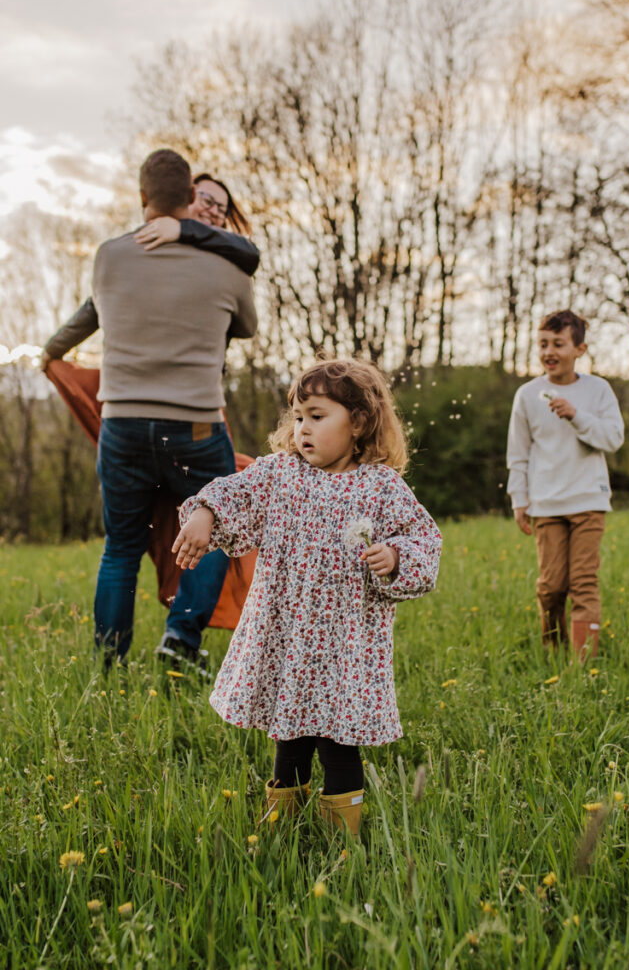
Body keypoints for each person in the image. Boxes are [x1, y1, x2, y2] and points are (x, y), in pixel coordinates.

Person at [173, 358, 442, 838]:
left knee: (339, 744)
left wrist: (396, 556)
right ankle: (281, 827)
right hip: (286, 641)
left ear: (358, 422)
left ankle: (344, 840)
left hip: (345, 648)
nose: (303, 429)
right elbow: (234, 495)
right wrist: (204, 514)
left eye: (318, 416)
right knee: (289, 735)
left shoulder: (381, 488)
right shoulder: (280, 474)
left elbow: (424, 542)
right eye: (298, 417)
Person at [70, 147, 258, 668]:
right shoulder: (228, 264)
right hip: (195, 427)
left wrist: (50, 354)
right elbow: (247, 326)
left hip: (123, 425)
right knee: (216, 530)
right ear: (190, 198)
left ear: (143, 197)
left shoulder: (108, 255)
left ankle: (108, 663)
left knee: (120, 550)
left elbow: (96, 312)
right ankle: (181, 639)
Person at [42, 172, 259, 365]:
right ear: (190, 196)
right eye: (207, 200)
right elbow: (95, 306)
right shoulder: (152, 240)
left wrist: (183, 229)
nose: (213, 211)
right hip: (139, 379)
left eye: (222, 209)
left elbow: (251, 254)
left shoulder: (228, 259)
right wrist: (54, 349)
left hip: (202, 389)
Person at [506, 310, 624, 660]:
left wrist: (577, 416)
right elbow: (519, 452)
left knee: (584, 584)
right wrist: (519, 500)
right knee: (551, 586)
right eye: (543, 343)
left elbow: (614, 438)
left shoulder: (597, 390)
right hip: (546, 505)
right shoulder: (527, 395)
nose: (548, 351)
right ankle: (553, 650)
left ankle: (583, 663)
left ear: (580, 349)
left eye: (558, 343)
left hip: (589, 501)